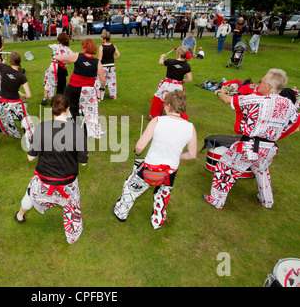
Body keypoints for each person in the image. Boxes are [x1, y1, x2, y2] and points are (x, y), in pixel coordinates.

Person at [203, 69, 300, 210]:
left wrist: (218, 92)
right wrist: (277, 135)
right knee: (261, 171)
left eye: (261, 81)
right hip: (269, 149)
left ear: (268, 86)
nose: (258, 84)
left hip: (250, 146)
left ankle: (216, 199)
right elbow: (295, 126)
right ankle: (267, 200)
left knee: (225, 167)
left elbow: (227, 99)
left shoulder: (256, 100)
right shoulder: (290, 106)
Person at [113, 90, 197, 229]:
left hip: (150, 167)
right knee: (162, 195)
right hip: (170, 170)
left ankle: (121, 212)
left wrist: (137, 151)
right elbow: (192, 154)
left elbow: (140, 146)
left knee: (130, 188)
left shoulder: (158, 120)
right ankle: (157, 220)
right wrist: (177, 156)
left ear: (168, 105)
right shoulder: (190, 127)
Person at [14, 94, 88, 244]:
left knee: (31, 193)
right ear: (68, 109)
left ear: (52, 110)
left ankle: (20, 215)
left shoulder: (42, 128)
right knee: (72, 205)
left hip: (44, 180)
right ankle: (72, 234)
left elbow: (30, 157)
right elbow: (84, 162)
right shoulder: (78, 131)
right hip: (68, 183)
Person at [55, 38, 106, 139]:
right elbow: (103, 79)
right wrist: (102, 88)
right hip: (88, 91)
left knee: (73, 109)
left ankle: (79, 130)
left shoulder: (77, 55)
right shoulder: (97, 62)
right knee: (90, 111)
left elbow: (63, 57)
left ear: (84, 47)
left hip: (73, 88)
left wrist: (55, 56)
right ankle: (90, 131)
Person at [0, 50, 34, 149]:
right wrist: (24, 95)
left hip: (2, 102)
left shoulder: (3, 67)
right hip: (16, 103)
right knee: (26, 121)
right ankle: (32, 143)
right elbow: (29, 95)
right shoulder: (21, 76)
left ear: (10, 60)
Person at [148, 46, 192, 120]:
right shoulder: (187, 66)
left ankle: (153, 116)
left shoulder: (170, 61)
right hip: (178, 87)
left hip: (167, 85)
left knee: (159, 99)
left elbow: (160, 63)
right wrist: (182, 81)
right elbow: (189, 79)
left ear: (178, 53)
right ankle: (178, 118)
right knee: (177, 102)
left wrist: (162, 57)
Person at [41, 32, 73, 106]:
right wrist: (67, 63)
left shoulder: (55, 46)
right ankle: (60, 99)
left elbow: (48, 45)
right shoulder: (68, 49)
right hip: (62, 68)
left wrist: (52, 48)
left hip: (53, 67)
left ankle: (46, 98)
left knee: (49, 82)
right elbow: (71, 59)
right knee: (61, 84)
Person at [95, 31, 120, 100]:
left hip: (103, 66)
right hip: (112, 66)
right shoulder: (113, 46)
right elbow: (118, 54)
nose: (101, 39)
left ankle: (100, 96)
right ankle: (113, 95)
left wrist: (97, 65)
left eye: (101, 37)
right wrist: (112, 59)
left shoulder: (101, 47)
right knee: (112, 81)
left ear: (104, 39)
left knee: (100, 81)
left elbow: (99, 58)